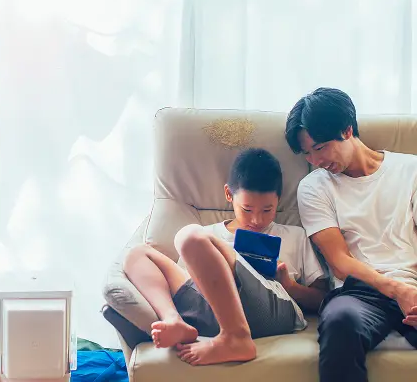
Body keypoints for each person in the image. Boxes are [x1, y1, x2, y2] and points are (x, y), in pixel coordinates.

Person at [124, 148, 328, 366]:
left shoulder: (295, 237)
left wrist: (289, 286)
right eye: (247, 209)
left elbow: (323, 299)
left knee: (188, 236)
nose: (257, 220)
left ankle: (236, 337)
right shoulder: (207, 236)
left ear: (279, 199)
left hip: (270, 312)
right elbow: (186, 284)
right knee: (136, 255)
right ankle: (173, 319)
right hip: (208, 311)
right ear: (229, 194)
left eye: (267, 210)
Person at [286, 87, 417, 382]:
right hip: (359, 293)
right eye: (306, 153)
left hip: (413, 283)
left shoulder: (410, 170)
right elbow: (340, 262)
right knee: (340, 321)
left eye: (320, 147)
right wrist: (397, 290)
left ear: (347, 130)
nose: (315, 160)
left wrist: (410, 291)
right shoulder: (314, 187)